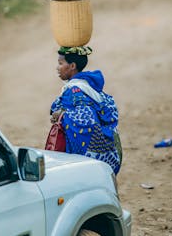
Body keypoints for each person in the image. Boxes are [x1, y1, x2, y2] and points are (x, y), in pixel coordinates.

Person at [50, 46, 122, 175]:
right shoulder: (89, 85)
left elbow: (86, 121)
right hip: (108, 153)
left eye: (61, 63)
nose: (57, 67)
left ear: (72, 66)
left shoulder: (73, 90)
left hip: (87, 155)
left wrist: (62, 115)